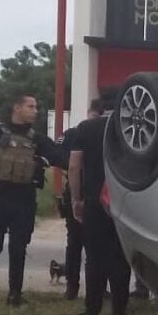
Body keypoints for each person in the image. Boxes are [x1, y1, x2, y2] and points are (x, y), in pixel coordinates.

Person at [0, 94, 68, 308]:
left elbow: (61, 158)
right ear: (17, 108)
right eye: (31, 106)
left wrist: (43, 160)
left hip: (24, 200)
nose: (35, 110)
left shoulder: (37, 139)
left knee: (18, 249)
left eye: (36, 106)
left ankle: (15, 295)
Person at [67, 102, 132, 315]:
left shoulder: (85, 128)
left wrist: (76, 199)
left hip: (94, 202)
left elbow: (74, 166)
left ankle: (92, 309)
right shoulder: (130, 129)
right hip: (123, 202)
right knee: (120, 255)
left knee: (94, 257)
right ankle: (119, 310)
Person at [56, 99, 102, 300]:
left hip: (79, 191)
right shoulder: (108, 132)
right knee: (96, 244)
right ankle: (95, 288)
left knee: (75, 243)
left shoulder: (76, 133)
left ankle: (72, 287)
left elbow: (64, 161)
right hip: (96, 193)